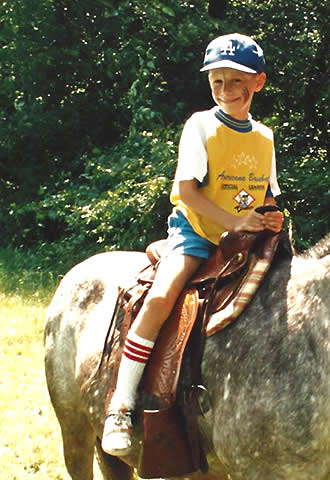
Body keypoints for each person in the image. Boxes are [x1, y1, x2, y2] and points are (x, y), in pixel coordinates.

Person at [101, 33, 284, 456]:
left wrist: (269, 215)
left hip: (244, 239)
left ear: (257, 82)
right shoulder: (201, 126)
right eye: (216, 82)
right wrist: (234, 221)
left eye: (234, 82)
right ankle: (121, 404)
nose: (224, 92)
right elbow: (188, 191)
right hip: (197, 235)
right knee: (162, 296)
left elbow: (267, 194)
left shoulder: (264, 136)